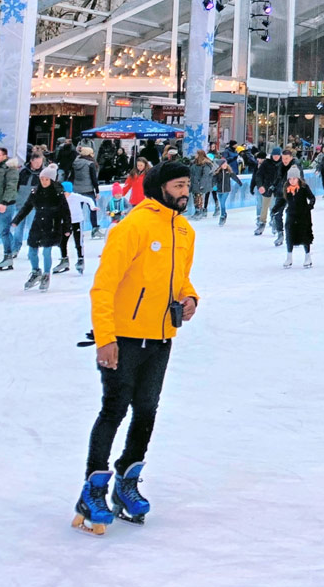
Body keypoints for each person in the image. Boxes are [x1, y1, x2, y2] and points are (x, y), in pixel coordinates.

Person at [73, 161, 199, 535]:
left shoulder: (185, 231)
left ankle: (127, 481)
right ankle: (92, 489)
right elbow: (103, 287)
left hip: (160, 339)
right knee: (114, 410)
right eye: (178, 185)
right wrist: (105, 338)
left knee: (146, 411)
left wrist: (189, 297)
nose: (185, 192)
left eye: (187, 185)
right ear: (160, 187)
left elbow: (180, 278)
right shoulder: (132, 227)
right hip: (124, 339)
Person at [12, 161, 71, 291]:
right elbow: (27, 207)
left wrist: (67, 228)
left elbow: (65, 212)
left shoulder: (57, 193)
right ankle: (35, 271)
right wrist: (17, 220)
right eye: (42, 179)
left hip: (52, 225)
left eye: (46, 179)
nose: (44, 181)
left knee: (46, 251)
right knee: (32, 250)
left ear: (51, 180)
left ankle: (46, 274)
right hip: (38, 224)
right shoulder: (36, 192)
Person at [282, 170, 316, 268]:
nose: (292, 181)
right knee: (289, 234)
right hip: (291, 214)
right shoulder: (286, 188)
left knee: (304, 235)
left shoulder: (304, 187)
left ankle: (307, 257)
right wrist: (276, 209)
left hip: (303, 214)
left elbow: (312, 198)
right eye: (290, 179)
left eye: (294, 178)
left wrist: (309, 206)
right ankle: (289, 257)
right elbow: (282, 200)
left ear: (298, 178)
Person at [251, 148, 287, 238]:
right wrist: (260, 186)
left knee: (275, 208)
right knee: (264, 207)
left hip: (278, 190)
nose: (276, 157)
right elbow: (258, 175)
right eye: (274, 155)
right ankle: (262, 223)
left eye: (278, 155)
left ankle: (275, 223)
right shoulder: (266, 163)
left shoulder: (283, 164)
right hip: (267, 189)